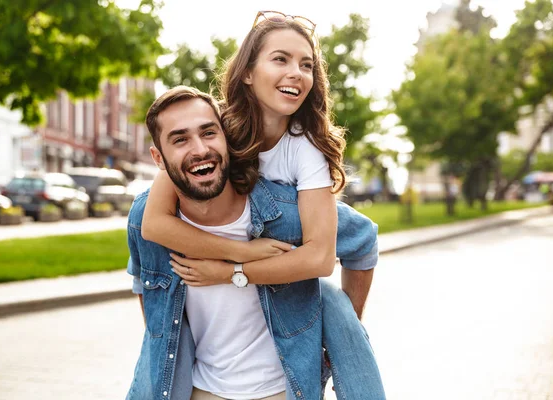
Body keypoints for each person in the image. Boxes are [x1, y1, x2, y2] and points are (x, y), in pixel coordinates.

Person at [138, 11, 385, 399]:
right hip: (255, 230)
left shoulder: (305, 150)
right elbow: (151, 221)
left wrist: (232, 272)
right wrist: (242, 251)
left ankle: (341, 344)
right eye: (281, 59)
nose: (297, 72)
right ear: (248, 73)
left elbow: (321, 259)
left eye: (307, 65)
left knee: (340, 279)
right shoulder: (214, 128)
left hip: (293, 220)